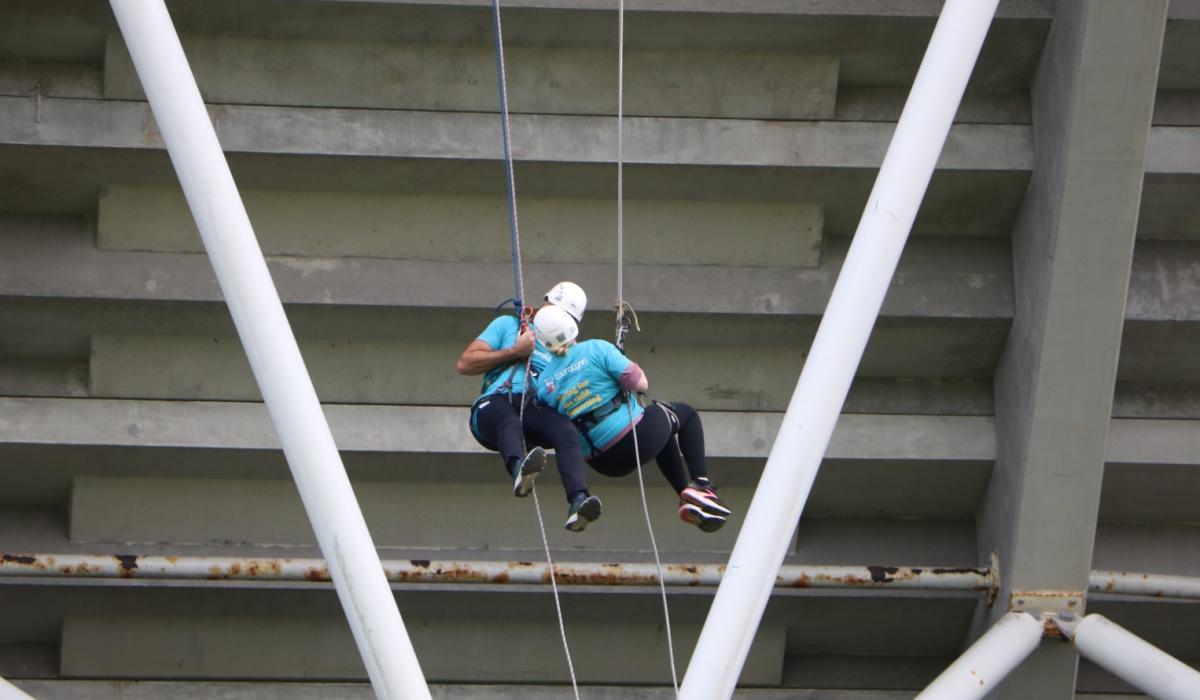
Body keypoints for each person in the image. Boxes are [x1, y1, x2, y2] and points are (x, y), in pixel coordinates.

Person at [531, 305, 733, 532]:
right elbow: (641, 384)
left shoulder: (544, 382)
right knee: (684, 415)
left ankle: (688, 496)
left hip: (603, 462)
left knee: (664, 434)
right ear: (571, 325)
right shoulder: (595, 349)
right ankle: (702, 484)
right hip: (635, 439)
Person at [456, 282, 603, 532]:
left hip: (535, 408)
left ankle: (578, 499)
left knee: (566, 430)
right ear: (544, 303)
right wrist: (515, 350)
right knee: (508, 419)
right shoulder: (510, 326)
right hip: (496, 404)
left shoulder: (566, 350)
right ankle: (518, 469)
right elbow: (465, 363)